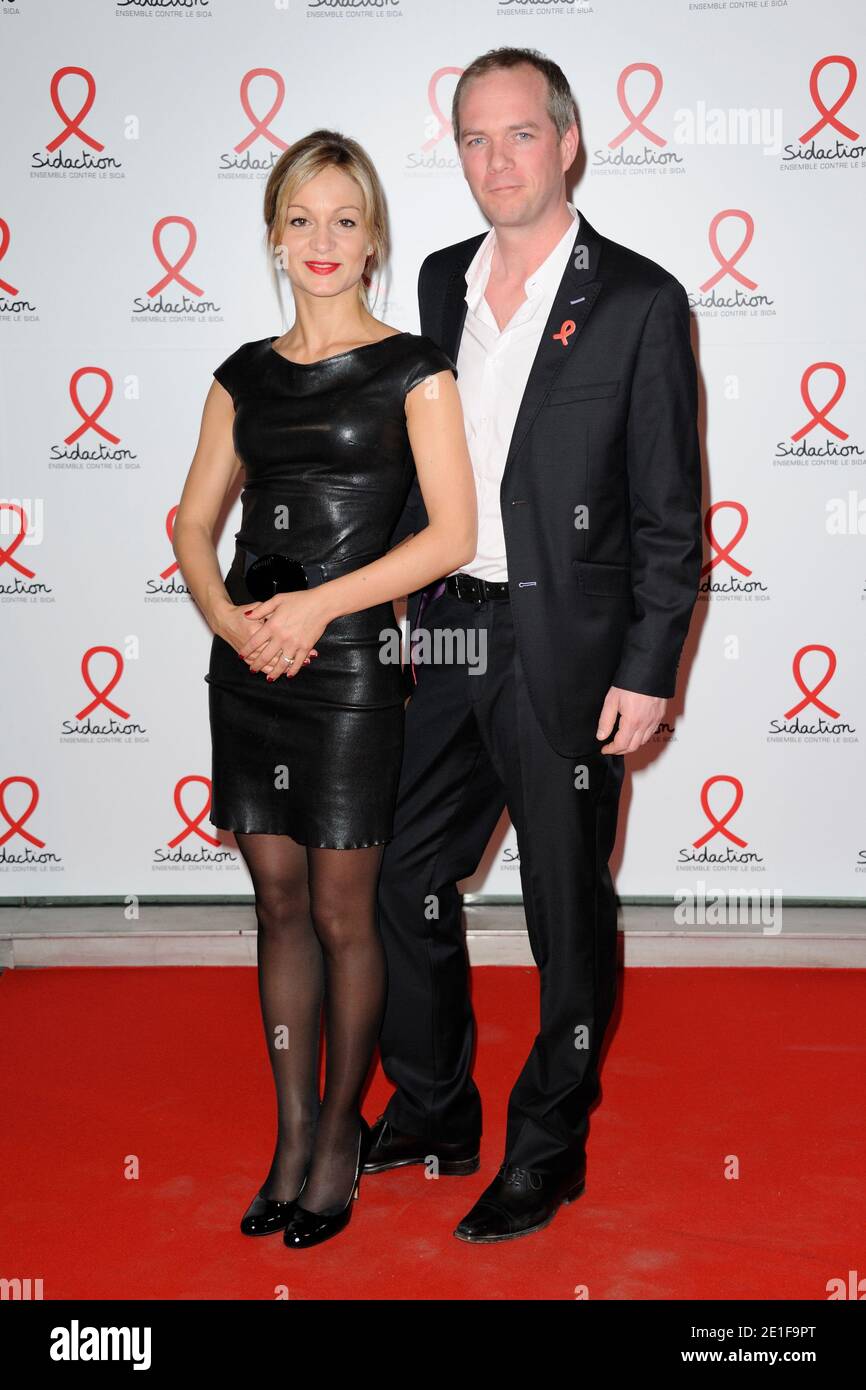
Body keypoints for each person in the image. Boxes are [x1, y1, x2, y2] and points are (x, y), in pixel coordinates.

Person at [364, 48, 703, 1243]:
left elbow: (669, 512)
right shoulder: (443, 275)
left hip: (568, 649)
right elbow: (432, 449)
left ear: (567, 142)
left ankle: (547, 1142)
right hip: (451, 628)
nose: (495, 160)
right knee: (400, 869)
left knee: (564, 903)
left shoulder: (639, 301)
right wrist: (400, 582)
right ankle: (433, 1102)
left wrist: (647, 668)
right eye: (471, 138)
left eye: (518, 134)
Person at [172, 130, 476, 1249]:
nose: (322, 241)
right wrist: (232, 622)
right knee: (279, 908)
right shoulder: (241, 374)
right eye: (301, 218)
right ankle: (292, 1133)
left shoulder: (414, 367)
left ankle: (342, 1134)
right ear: (272, 233)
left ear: (373, 238)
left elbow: (450, 535)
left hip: (346, 669)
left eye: (345, 220)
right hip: (250, 664)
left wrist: (316, 608)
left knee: (346, 913)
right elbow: (192, 523)